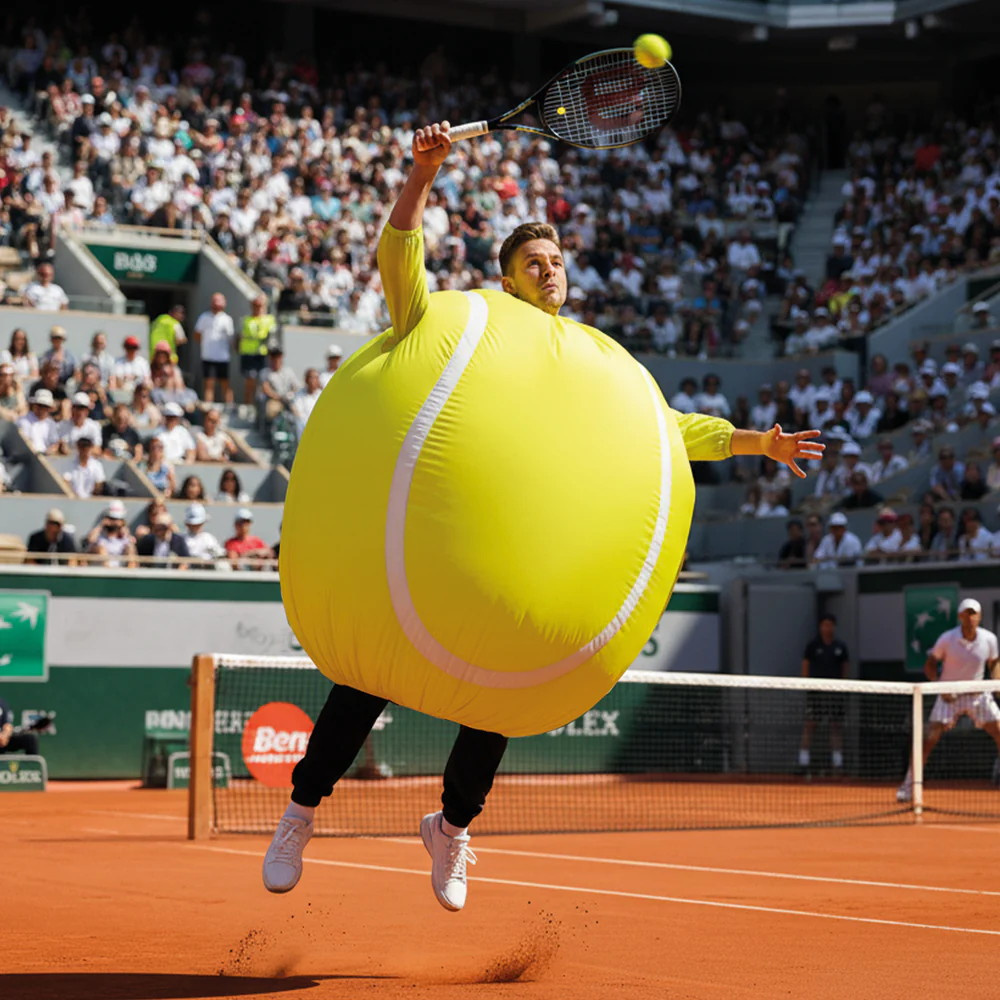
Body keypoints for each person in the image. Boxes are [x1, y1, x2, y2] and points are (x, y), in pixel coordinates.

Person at [262, 120, 824, 910]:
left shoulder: (599, 364)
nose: (550, 270)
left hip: (511, 560)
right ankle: (299, 812)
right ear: (511, 279)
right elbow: (399, 267)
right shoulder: (467, 325)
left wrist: (758, 443)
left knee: (502, 690)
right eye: (535, 263)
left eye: (557, 261)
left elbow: (666, 432)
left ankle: (450, 831)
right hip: (430, 542)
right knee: (362, 676)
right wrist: (422, 175)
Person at [898, 599, 1000, 802]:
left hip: (978, 695)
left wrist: (996, 683)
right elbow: (930, 664)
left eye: (973, 614)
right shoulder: (946, 639)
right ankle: (909, 785)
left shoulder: (989, 639)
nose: (970, 618)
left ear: (979, 616)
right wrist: (939, 686)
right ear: (959, 617)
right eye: (966, 614)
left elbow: (994, 663)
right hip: (948, 695)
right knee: (928, 739)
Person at [797, 614, 850, 775]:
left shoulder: (841, 647)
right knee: (810, 725)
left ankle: (837, 764)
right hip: (816, 692)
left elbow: (845, 668)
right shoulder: (812, 646)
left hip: (835, 693)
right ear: (820, 627)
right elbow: (805, 665)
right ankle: (803, 763)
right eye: (824, 625)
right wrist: (807, 685)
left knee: (835, 726)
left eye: (830, 625)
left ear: (834, 627)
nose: (827, 628)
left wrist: (844, 687)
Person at [194, 292, 235, 406]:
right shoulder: (204, 317)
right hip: (208, 356)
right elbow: (197, 335)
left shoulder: (227, 319)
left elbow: (231, 338)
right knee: (209, 383)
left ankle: (229, 407)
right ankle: (208, 406)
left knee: (225, 383)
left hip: (223, 357)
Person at [238, 295, 276, 416]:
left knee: (263, 383)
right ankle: (248, 407)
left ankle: (258, 410)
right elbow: (240, 337)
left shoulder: (269, 319)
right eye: (255, 305)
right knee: (249, 382)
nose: (258, 308)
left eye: (260, 305)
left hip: (263, 354)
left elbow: (271, 335)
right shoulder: (246, 320)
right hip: (248, 354)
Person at [86, 499, 137, 569]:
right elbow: (90, 539)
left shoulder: (125, 537)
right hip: (101, 570)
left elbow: (132, 546)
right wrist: (101, 525)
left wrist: (125, 531)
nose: (114, 522)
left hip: (120, 570)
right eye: (112, 519)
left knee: (130, 548)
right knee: (101, 549)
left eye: (117, 519)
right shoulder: (100, 535)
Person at [182, 503, 226, 568]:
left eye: (198, 524)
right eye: (193, 524)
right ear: (187, 524)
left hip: (208, 571)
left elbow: (219, 553)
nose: (196, 526)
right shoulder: (182, 538)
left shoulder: (208, 538)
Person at [17, 389, 60, 454]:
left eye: (45, 406)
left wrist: (51, 450)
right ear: (34, 405)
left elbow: (54, 443)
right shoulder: (23, 421)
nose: (42, 409)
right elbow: (24, 443)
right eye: (40, 405)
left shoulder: (51, 423)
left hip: (46, 457)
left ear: (49, 408)